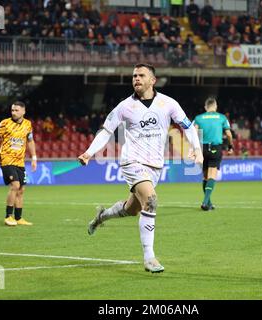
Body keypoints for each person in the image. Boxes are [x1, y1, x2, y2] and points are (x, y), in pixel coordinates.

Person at [78, 63, 203, 273]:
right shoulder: (124, 106)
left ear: (152, 80)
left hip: (155, 166)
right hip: (132, 161)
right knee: (152, 200)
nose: (136, 78)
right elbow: (106, 131)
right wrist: (89, 152)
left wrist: (197, 149)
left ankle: (101, 217)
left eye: (141, 75)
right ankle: (149, 258)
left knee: (132, 209)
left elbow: (187, 126)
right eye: (134, 75)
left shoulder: (167, 103)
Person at [0, 101, 37, 226]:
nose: (14, 112)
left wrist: (34, 157)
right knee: (15, 185)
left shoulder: (28, 124)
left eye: (16, 110)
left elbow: (30, 141)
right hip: (6, 158)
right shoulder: (5, 123)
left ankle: (18, 218)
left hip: (20, 161)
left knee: (21, 189)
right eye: (12, 110)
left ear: (23, 111)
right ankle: (8, 216)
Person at [193, 98, 233, 211]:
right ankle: (205, 202)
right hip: (215, 147)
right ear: (215, 106)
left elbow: (193, 134)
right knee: (212, 175)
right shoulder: (222, 117)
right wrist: (230, 146)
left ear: (206, 107)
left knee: (205, 177)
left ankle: (208, 203)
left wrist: (194, 149)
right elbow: (229, 134)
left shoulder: (198, 118)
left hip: (202, 149)